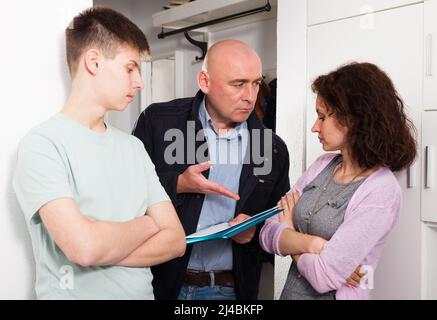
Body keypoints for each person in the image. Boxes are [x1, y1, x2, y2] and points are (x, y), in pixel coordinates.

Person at [12, 7, 185, 299]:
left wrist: (102, 242)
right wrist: (148, 223)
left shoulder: (133, 148)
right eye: (130, 68)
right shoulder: (42, 144)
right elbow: (84, 247)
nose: (139, 82)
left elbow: (175, 241)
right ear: (93, 62)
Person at [132, 39, 290, 300]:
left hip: (230, 291)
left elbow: (278, 222)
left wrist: (254, 234)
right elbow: (124, 197)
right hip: (159, 285)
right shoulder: (158, 122)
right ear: (204, 81)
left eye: (256, 83)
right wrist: (179, 184)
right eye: (238, 84)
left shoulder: (271, 148)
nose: (250, 96)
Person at [260, 62, 417, 300]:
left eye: (322, 117)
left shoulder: (382, 191)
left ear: (352, 119)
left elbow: (324, 276)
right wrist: (315, 244)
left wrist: (290, 233)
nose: (314, 127)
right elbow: (267, 231)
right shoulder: (322, 165)